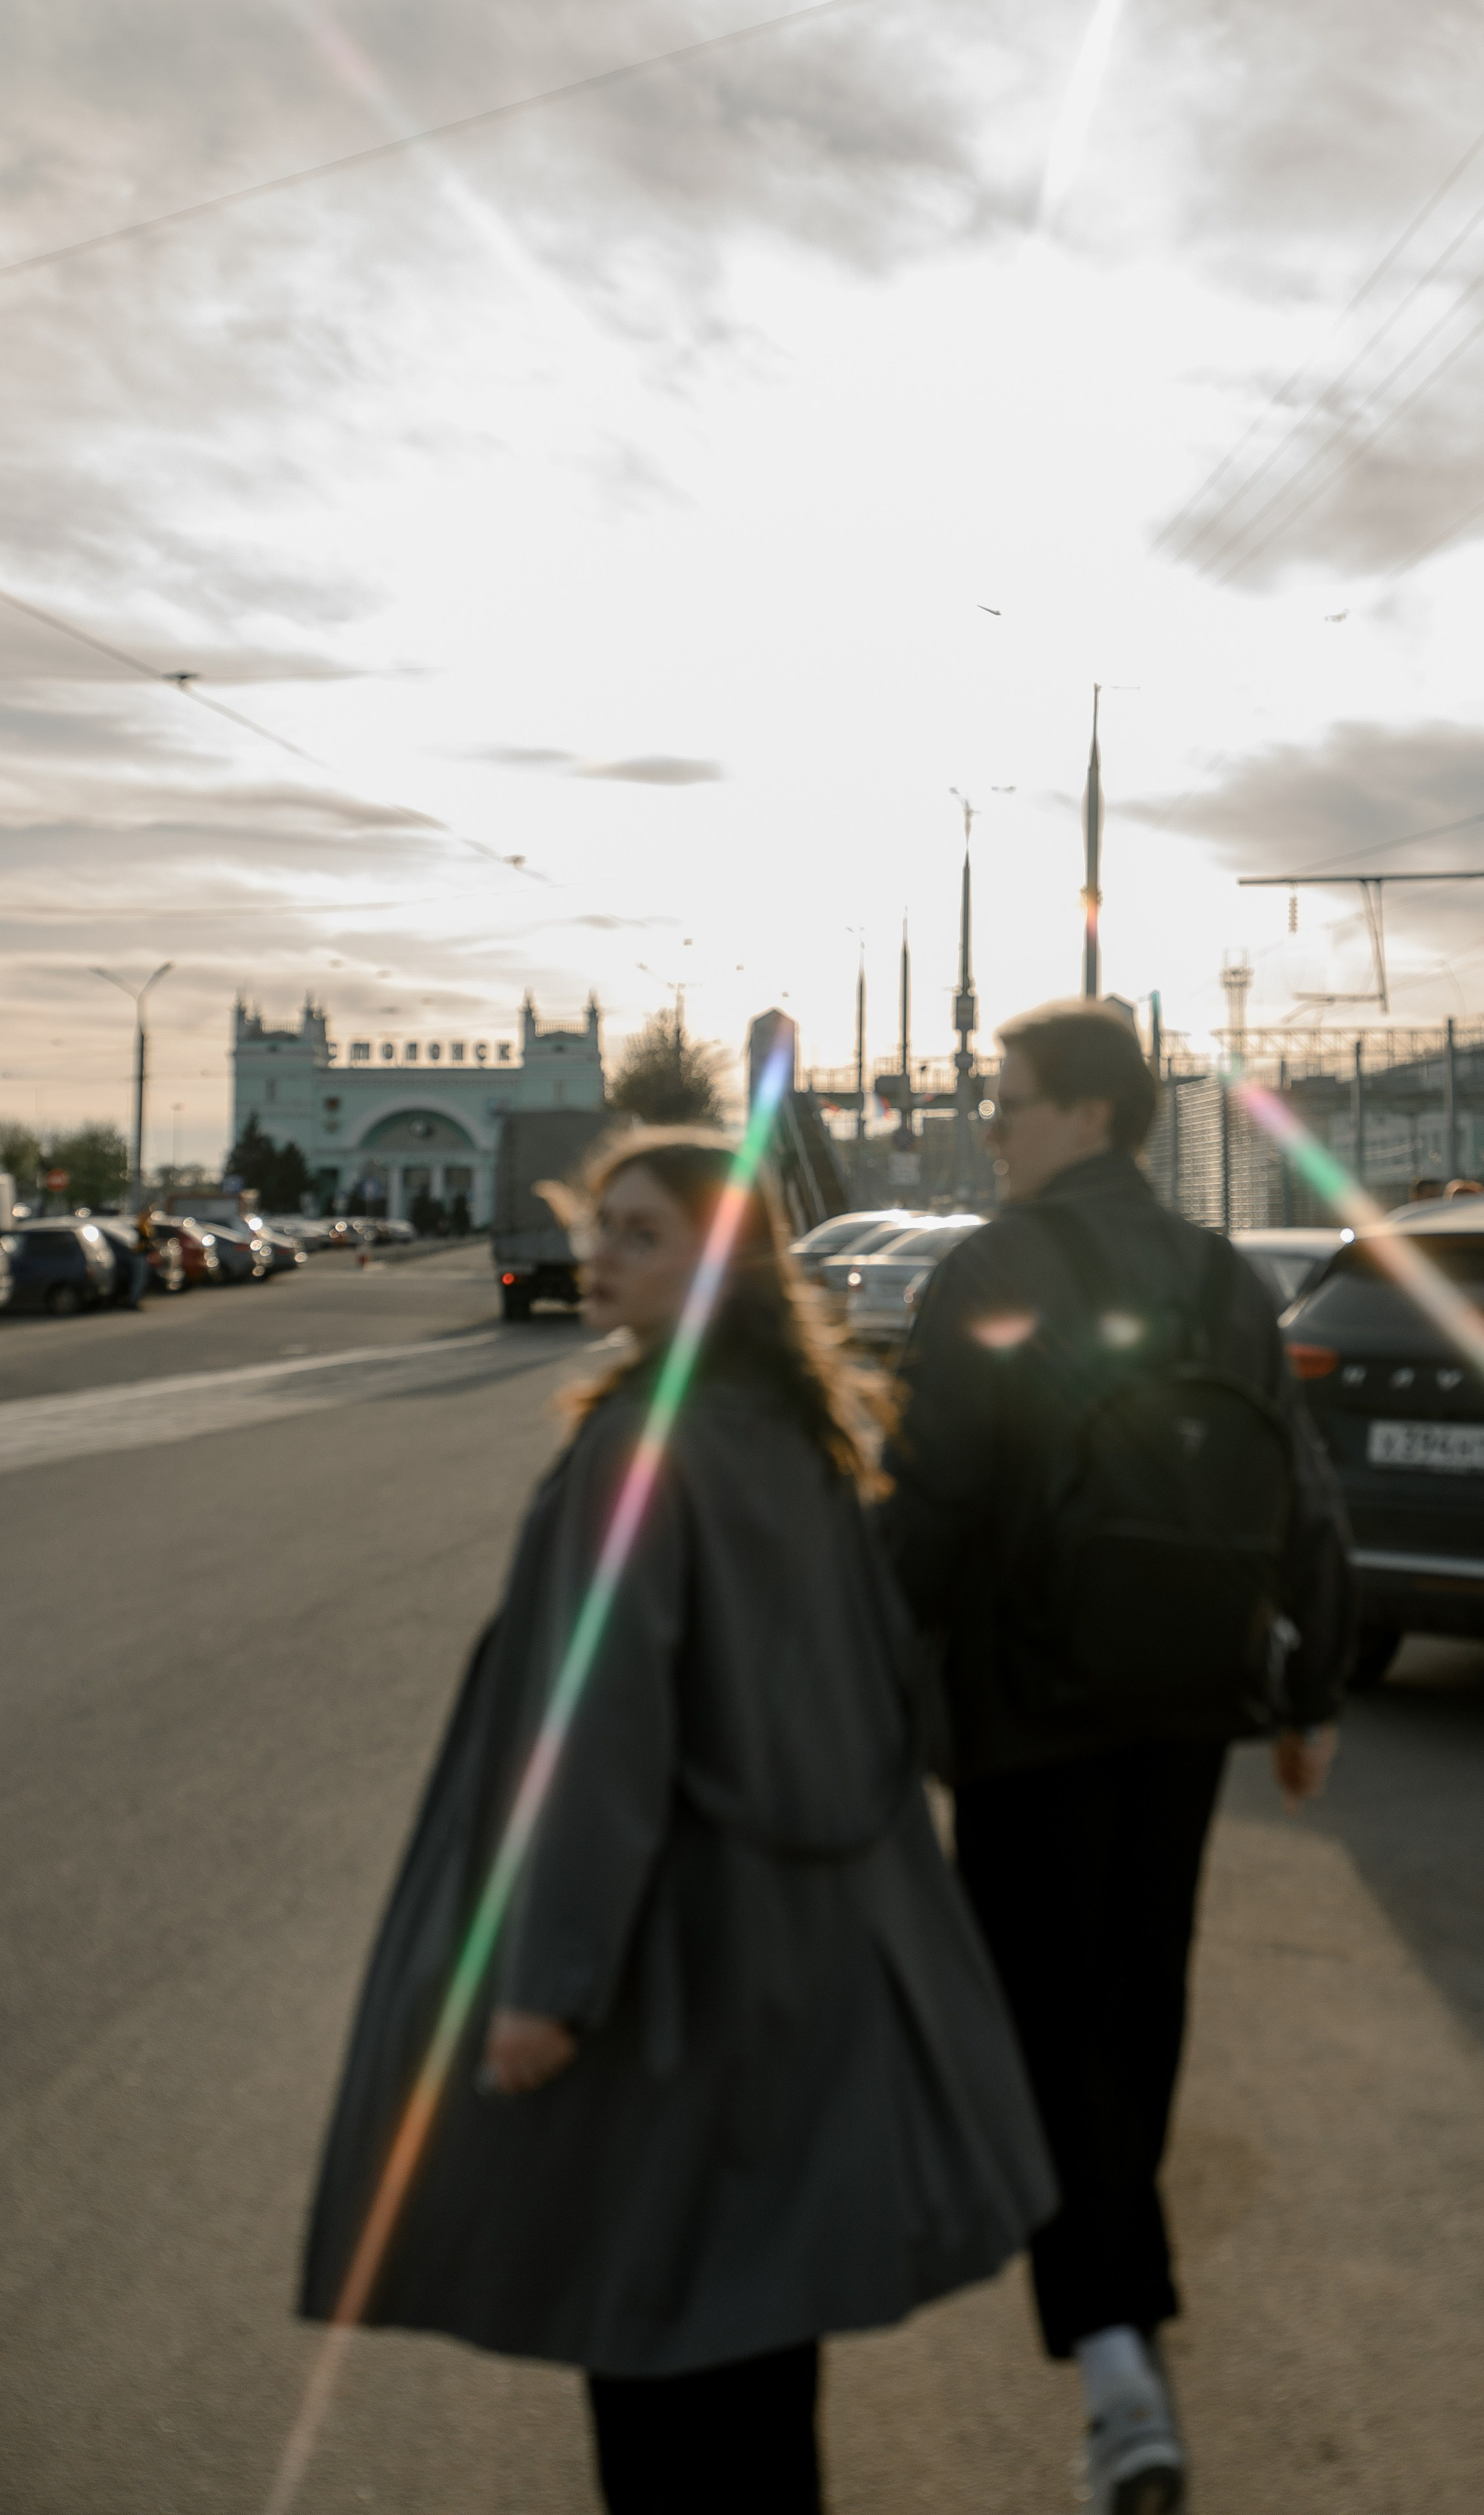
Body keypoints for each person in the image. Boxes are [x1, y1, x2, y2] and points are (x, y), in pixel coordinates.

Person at [300, 1130, 1053, 2514]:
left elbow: (599, 1734)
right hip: (803, 1948)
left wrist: (548, 1982)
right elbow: (879, 1689)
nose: (598, 1254)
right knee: (765, 2353)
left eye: (638, 1233)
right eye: (600, 1225)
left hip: (666, 1966)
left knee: (649, 2345)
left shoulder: (636, 1449)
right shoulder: (802, 1431)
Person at [883, 1002, 1352, 2515]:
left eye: (1008, 1101)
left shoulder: (990, 1270)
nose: (991, 1124)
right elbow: (1298, 1488)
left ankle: (1114, 2360)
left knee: (1043, 2022)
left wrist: (841, 1668)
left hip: (1031, 1711)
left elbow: (930, 1508)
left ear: (1088, 1112)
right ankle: (1118, 2339)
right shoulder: (1221, 1275)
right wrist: (1310, 1695)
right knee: (1135, 2005)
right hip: (1183, 1706)